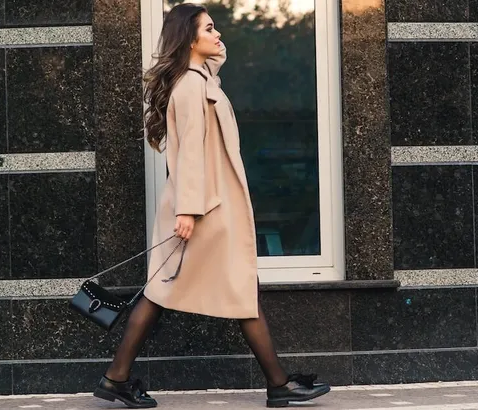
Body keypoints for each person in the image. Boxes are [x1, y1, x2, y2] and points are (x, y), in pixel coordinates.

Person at [91, 3, 331, 408]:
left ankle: (117, 378)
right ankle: (278, 384)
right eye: (210, 29)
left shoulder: (200, 79)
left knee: (175, 291)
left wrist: (210, 49)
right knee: (192, 291)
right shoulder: (189, 87)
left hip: (211, 208)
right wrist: (187, 210)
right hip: (205, 212)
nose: (219, 36)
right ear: (189, 38)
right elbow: (188, 156)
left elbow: (216, 60)